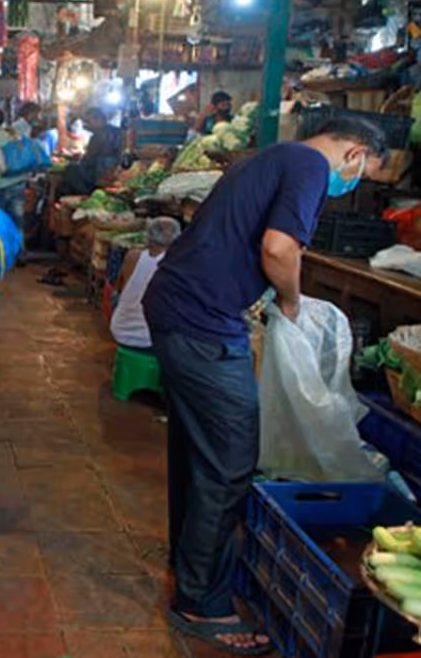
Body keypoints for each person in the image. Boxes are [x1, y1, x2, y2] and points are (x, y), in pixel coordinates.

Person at [142, 116, 386, 655]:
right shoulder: (307, 166)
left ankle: (189, 567)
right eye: (365, 173)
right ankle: (200, 602)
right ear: (356, 153)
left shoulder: (272, 157)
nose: (356, 183)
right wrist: (292, 300)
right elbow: (279, 248)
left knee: (196, 450)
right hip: (202, 322)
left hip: (180, 309)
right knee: (230, 461)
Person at [110, 217, 181, 349]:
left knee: (116, 296)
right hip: (151, 341)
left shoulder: (133, 256)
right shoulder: (176, 265)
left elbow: (118, 288)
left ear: (148, 237)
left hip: (120, 330)